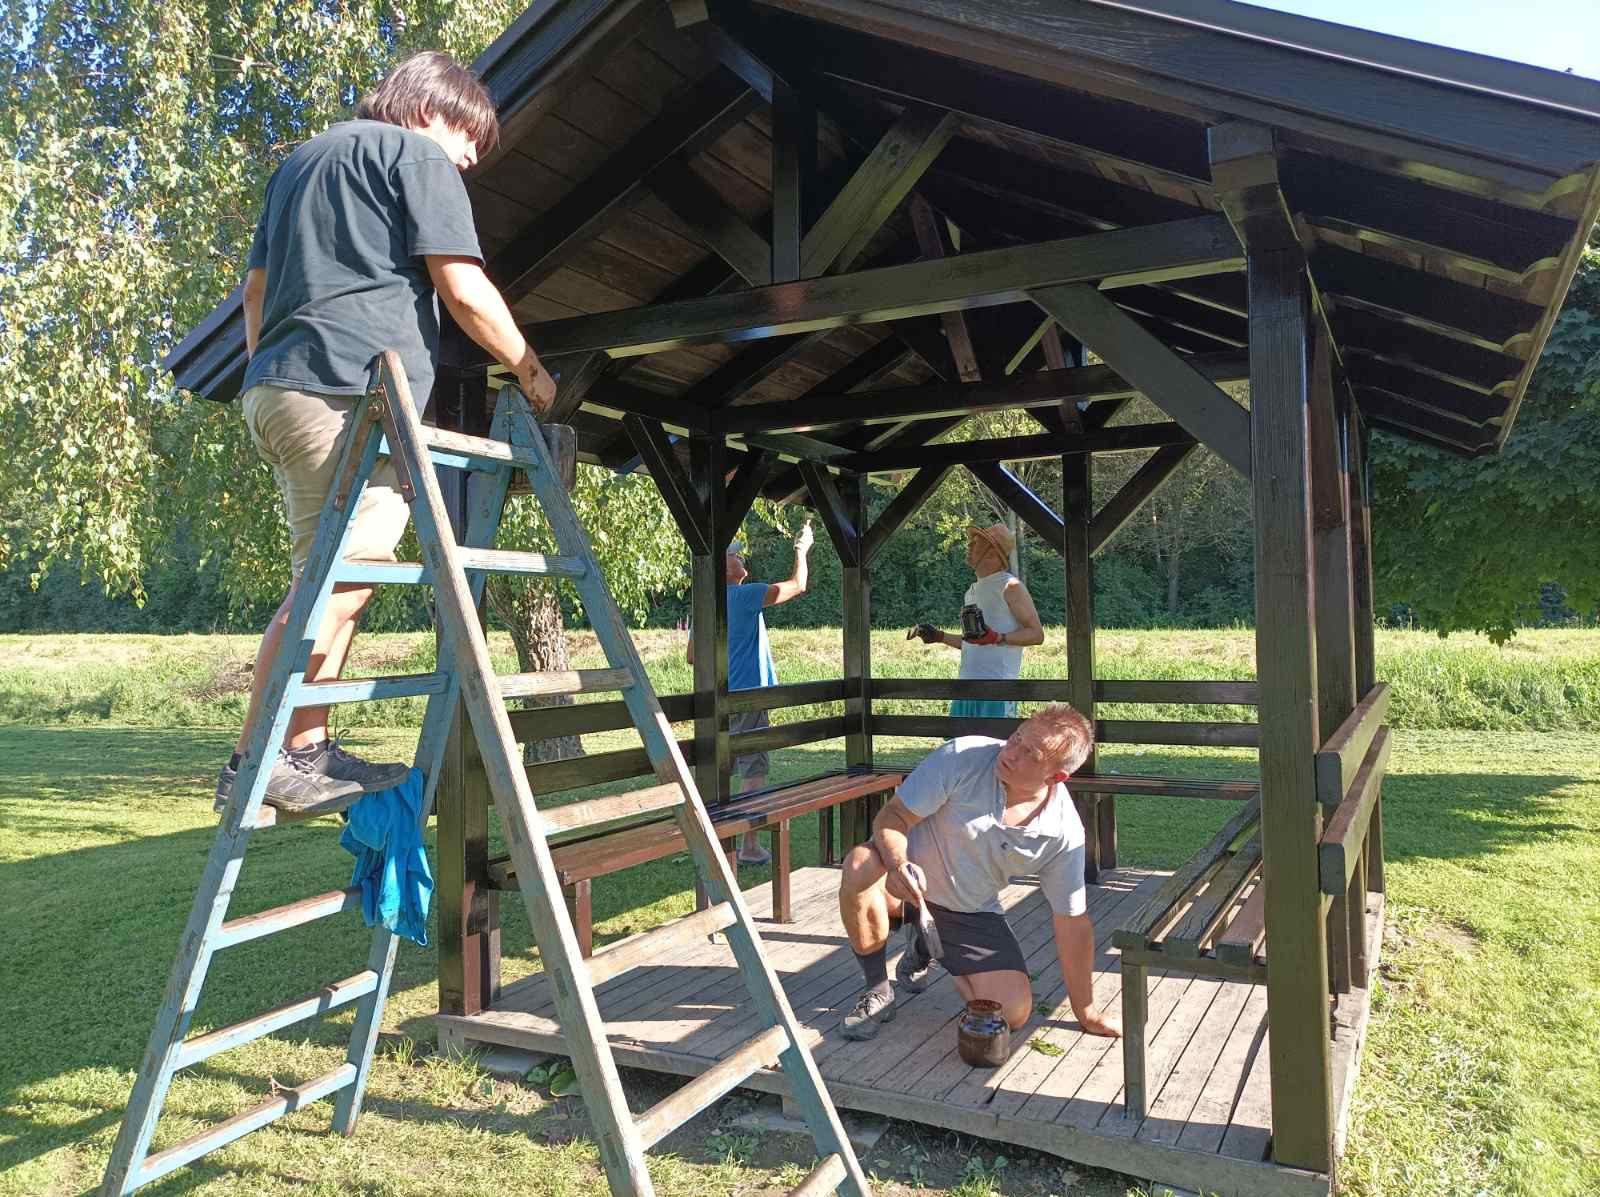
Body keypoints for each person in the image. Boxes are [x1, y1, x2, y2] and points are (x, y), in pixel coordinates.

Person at [215, 52, 559, 813]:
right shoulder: (412, 153)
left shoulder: (302, 162)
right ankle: (256, 757)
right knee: (340, 582)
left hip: (281, 390)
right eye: (469, 136)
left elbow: (256, 295)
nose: (469, 158)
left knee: (329, 577)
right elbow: (464, 291)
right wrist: (534, 374)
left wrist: (277, 367)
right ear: (431, 110)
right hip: (347, 398)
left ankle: (304, 747)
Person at [836, 704, 1121, 1042]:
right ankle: (878, 991)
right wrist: (898, 863)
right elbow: (892, 816)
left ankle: (928, 946)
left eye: (1030, 753)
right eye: (1016, 737)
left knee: (1011, 1013)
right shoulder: (963, 756)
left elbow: (1072, 922)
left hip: (968, 908)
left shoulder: (1062, 832)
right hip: (901, 882)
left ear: (1056, 777)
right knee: (860, 863)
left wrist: (1086, 1011)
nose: (1011, 753)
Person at [686, 522, 814, 863]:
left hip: (717, 700)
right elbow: (799, 585)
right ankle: (749, 846)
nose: (741, 557)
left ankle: (711, 846)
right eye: (734, 554)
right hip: (749, 698)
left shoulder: (704, 603)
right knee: (753, 768)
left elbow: (692, 656)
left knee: (721, 771)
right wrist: (802, 549)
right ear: (721, 567)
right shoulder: (743, 596)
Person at [908, 522, 1044, 719]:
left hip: (997, 691)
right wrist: (939, 636)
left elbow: (1037, 634)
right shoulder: (971, 591)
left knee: (995, 749)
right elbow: (975, 642)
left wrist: (998, 637)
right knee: (959, 749)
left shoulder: (1010, 586)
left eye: (976, 543)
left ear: (992, 553)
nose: (969, 546)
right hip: (965, 689)